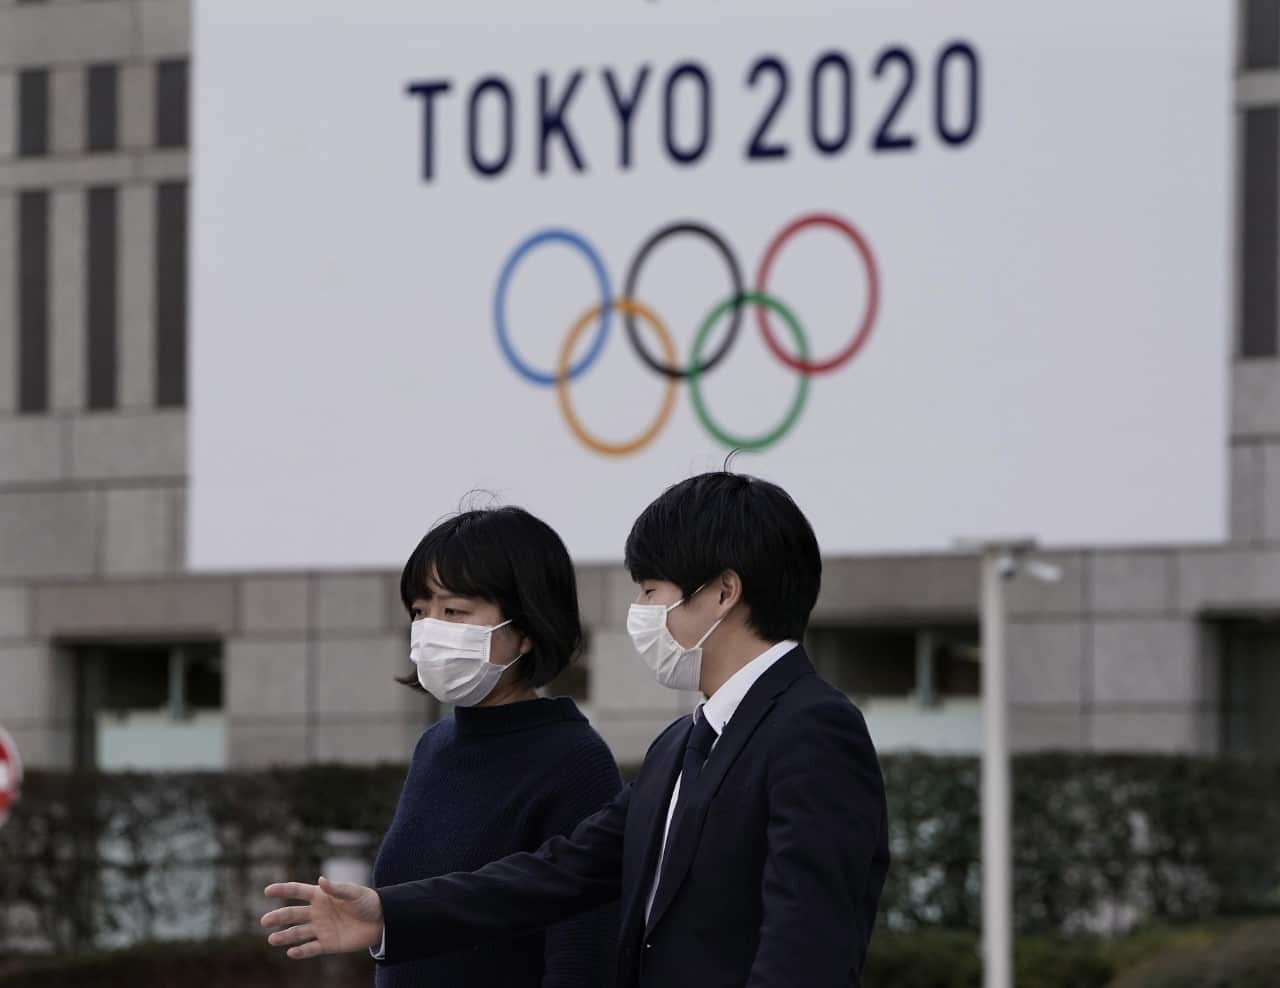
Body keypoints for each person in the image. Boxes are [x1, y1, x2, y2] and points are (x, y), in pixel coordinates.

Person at [262, 473, 890, 987]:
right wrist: (388, 913)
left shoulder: (812, 729)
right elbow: (559, 873)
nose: (641, 613)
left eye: (652, 591)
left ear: (724, 592)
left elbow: (807, 946)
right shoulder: (680, 745)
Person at [361, 506, 621, 987]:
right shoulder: (435, 746)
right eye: (420, 611)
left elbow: (582, 953)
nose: (430, 628)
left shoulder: (575, 760)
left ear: (526, 629)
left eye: (454, 611)